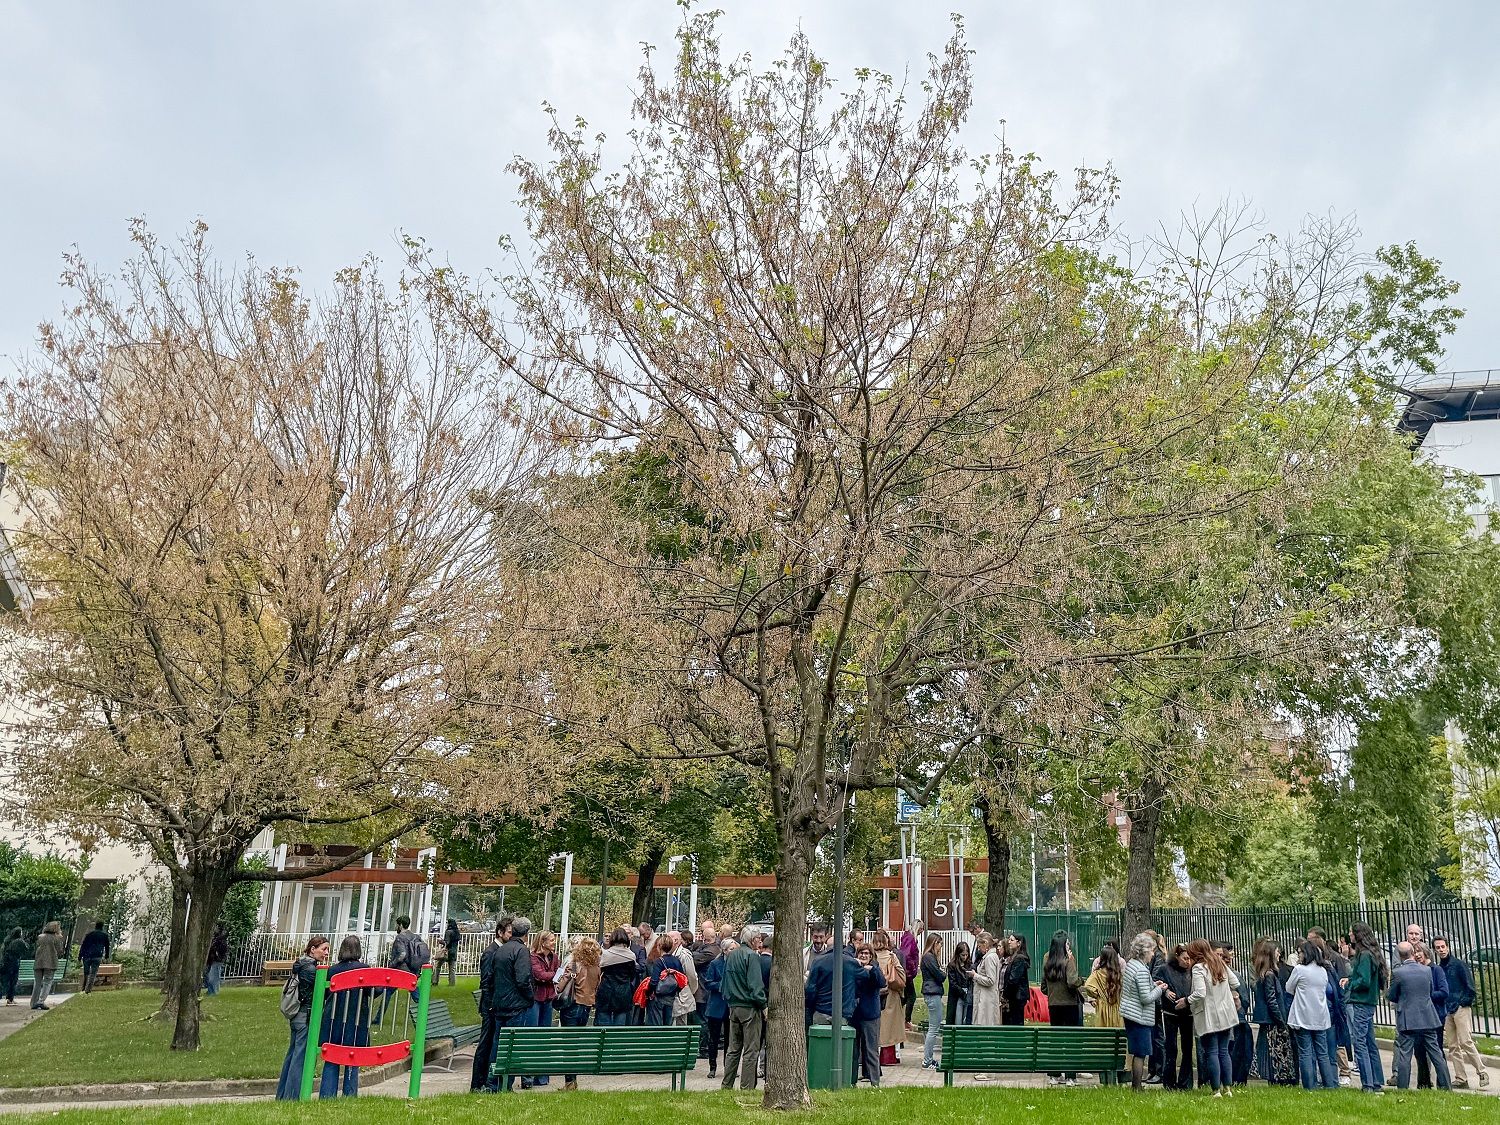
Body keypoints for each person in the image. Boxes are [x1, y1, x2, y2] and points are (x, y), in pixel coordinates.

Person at [1390, 941, 1451, 1090]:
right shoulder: (1426, 971)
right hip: (1428, 1016)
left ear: (1399, 955)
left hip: (1407, 1018)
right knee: (1436, 1053)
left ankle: (1402, 1088)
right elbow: (1430, 992)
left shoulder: (1398, 973)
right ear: (1412, 952)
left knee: (1405, 1054)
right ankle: (1446, 1086)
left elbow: (1392, 995)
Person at [276, 936, 330, 1101]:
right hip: (304, 1015)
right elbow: (322, 991)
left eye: (328, 949)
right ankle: (292, 1096)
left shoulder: (301, 963)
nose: (326, 953)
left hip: (296, 1015)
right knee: (300, 1057)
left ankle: (283, 1094)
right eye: (323, 949)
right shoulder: (310, 969)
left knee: (293, 1054)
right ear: (313, 949)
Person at [318, 935, 371, 1099]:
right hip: (355, 1017)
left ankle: (327, 1094)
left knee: (332, 1056)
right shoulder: (364, 969)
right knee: (352, 1056)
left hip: (334, 1017)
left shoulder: (332, 970)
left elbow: (324, 993)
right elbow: (371, 992)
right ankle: (349, 1093)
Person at [1185, 938, 1239, 1098]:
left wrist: (1187, 1000)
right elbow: (1235, 982)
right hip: (1226, 1012)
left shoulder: (1198, 968)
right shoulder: (1219, 962)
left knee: (1212, 1052)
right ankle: (1227, 1088)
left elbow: (1200, 993)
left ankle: (1216, 1089)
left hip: (1209, 1014)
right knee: (1224, 1051)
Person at [488, 916, 537, 1091]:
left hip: (500, 1003)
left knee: (498, 1044)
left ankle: (492, 1083)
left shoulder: (501, 949)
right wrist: (530, 997)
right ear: (527, 933)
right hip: (516, 1005)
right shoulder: (521, 950)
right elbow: (523, 979)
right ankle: (505, 1084)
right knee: (512, 1044)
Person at [1434, 936, 1488, 1090]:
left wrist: (1462, 1002)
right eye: (1438, 948)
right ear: (1435, 950)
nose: (1441, 950)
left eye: (1443, 946)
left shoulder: (1459, 965)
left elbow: (1470, 987)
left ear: (1448, 947)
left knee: (1465, 1041)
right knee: (1452, 1045)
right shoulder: (1440, 968)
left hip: (1460, 1007)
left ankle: (1482, 1071)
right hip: (1447, 1009)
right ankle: (1460, 1077)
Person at [1286, 940, 1339, 1090]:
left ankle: (1309, 1085)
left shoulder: (1299, 970)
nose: (1299, 955)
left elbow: (1289, 988)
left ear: (1306, 953)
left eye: (1300, 952)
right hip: (1320, 1016)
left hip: (1303, 1015)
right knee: (1322, 1053)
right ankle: (1329, 1084)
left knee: (1305, 1053)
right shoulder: (1322, 971)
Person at [721, 926, 768, 1090]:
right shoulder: (752, 956)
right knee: (751, 1050)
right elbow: (756, 986)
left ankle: (726, 1085)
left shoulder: (732, 955)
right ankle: (747, 1088)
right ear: (752, 940)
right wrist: (764, 1006)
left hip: (733, 1007)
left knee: (733, 1049)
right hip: (749, 1008)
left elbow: (724, 983)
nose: (760, 942)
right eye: (758, 939)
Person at [1120, 933, 1166, 1092]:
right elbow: (1146, 998)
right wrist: (1159, 989)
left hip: (1129, 1012)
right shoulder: (1141, 970)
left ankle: (1136, 1086)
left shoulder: (1132, 964)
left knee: (1136, 1051)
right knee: (1141, 1052)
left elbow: (1137, 988)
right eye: (1152, 951)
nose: (1153, 954)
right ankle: (1137, 1087)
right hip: (1139, 1015)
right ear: (1145, 951)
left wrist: (1153, 984)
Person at [1345, 921, 1387, 1094]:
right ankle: (1376, 1081)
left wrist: (1349, 983)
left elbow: (1364, 980)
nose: (1350, 935)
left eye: (1351, 932)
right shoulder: (1373, 954)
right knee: (1370, 1043)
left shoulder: (1364, 955)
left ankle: (1368, 1084)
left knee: (1360, 1042)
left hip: (1361, 1001)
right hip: (1369, 1002)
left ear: (1358, 935)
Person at [556, 935, 601, 1090]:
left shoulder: (574, 964)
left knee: (569, 1044)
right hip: (586, 1007)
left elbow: (562, 984)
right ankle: (572, 1081)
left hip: (572, 1006)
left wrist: (556, 989)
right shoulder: (596, 967)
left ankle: (570, 1082)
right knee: (576, 1043)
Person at [470, 916, 509, 1092]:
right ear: (500, 933)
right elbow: (486, 981)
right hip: (490, 1005)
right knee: (485, 1043)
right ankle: (477, 1082)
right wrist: (490, 1005)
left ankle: (486, 1079)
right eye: (509, 932)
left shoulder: (501, 950)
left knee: (492, 1041)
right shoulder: (490, 952)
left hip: (496, 1004)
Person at [1250, 938, 1296, 1086]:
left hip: (1270, 1020)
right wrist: (1280, 1020)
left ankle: (1277, 1078)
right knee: (1276, 1051)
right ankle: (1278, 1078)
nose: (1279, 954)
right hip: (1273, 1021)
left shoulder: (1266, 974)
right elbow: (1272, 1000)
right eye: (1277, 951)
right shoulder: (1269, 975)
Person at [1042, 930, 1084, 1086]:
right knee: (1071, 1040)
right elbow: (1072, 981)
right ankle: (1070, 1077)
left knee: (1056, 1040)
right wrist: (1081, 981)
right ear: (1064, 944)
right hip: (1069, 1004)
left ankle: (1054, 1074)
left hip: (1054, 1004)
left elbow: (1043, 987)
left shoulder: (1047, 958)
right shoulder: (1068, 959)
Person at [1154, 942, 1194, 1090]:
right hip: (1170, 1012)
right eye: (1184, 958)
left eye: (1189, 959)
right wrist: (1165, 991)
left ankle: (1185, 1082)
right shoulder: (1165, 969)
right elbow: (1155, 981)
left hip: (1187, 1013)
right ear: (1177, 957)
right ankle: (1169, 1081)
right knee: (1171, 1047)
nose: (1187, 962)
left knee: (1187, 1047)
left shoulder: (1191, 971)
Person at [1215, 942, 1253, 1086]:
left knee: (1233, 1052)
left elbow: (1243, 998)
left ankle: (1232, 1080)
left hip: (1236, 1019)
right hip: (1229, 1018)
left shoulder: (1234, 975)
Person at [850, 942, 887, 1086]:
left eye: (867, 954)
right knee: (853, 1051)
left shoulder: (875, 969)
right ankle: (851, 1082)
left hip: (871, 1014)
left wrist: (872, 970)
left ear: (871, 956)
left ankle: (875, 1082)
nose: (864, 956)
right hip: (854, 1014)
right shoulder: (854, 968)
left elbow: (882, 982)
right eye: (861, 953)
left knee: (871, 1050)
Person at [1414, 942, 1450, 1089]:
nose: (1416, 954)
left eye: (1418, 951)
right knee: (1419, 1050)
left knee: (1437, 1050)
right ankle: (1423, 1083)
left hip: (1435, 1015)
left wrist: (1427, 995)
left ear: (1426, 952)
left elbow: (1444, 992)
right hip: (1419, 1016)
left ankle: (1443, 1084)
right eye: (1414, 952)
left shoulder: (1437, 970)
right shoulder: (1416, 970)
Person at [529, 930, 560, 1086]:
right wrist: (554, 975)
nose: (554, 942)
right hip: (536, 998)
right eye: (551, 940)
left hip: (548, 998)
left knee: (545, 1035)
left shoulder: (554, 957)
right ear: (543, 942)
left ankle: (542, 1076)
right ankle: (529, 1075)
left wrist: (554, 975)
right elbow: (540, 976)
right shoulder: (533, 957)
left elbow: (556, 974)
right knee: (534, 1034)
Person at [871, 930, 907, 1066]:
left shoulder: (871, 956)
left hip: (873, 994)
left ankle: (871, 1057)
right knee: (889, 1029)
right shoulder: (891, 956)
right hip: (890, 995)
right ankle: (888, 1057)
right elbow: (901, 975)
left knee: (876, 1028)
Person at [595, 927, 642, 1028]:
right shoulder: (631, 956)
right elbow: (633, 975)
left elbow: (599, 972)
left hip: (606, 991)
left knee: (604, 1024)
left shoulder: (605, 955)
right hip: (624, 992)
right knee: (619, 1024)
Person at [702, 939, 734, 1079]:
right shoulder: (715, 964)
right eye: (731, 949)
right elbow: (708, 983)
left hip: (730, 1006)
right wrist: (722, 985)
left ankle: (729, 1067)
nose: (734, 952)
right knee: (713, 1039)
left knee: (730, 1039)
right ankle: (712, 1067)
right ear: (724, 950)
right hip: (716, 1006)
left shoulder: (736, 963)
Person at [920, 933, 947, 1070]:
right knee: (933, 1028)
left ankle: (928, 1059)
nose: (941, 947)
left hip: (932, 992)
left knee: (934, 1027)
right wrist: (943, 972)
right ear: (934, 943)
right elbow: (939, 975)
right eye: (940, 944)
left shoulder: (928, 957)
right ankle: (927, 1060)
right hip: (932, 992)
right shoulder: (929, 957)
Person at [1083, 941, 1124, 1030]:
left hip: (1102, 1008)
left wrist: (1096, 994)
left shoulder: (1097, 974)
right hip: (1117, 1008)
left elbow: (1087, 985)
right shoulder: (1118, 974)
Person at [30, 921, 66, 1011]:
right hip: (50, 962)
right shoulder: (57, 938)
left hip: (39, 962)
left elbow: (36, 948)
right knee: (47, 982)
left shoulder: (40, 937)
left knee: (37, 983)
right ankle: (41, 1001)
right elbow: (60, 951)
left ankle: (33, 1002)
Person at [970, 933, 1002, 1026]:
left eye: (979, 946)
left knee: (985, 1024)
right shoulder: (991, 956)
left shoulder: (989, 958)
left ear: (985, 944)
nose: (978, 949)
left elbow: (991, 980)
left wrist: (975, 976)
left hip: (986, 1000)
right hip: (986, 997)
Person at [1000, 934, 1030, 1027]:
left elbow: (1013, 980)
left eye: (1012, 940)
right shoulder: (1015, 957)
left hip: (1016, 997)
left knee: (1015, 1022)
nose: (1009, 942)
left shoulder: (1019, 959)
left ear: (1019, 943)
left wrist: (1005, 994)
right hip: (1014, 996)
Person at [946, 940, 973, 1026]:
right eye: (963, 955)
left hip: (967, 993)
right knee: (957, 1018)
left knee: (966, 1018)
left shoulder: (969, 964)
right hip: (957, 994)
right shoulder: (952, 965)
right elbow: (953, 983)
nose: (965, 957)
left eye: (966, 955)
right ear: (958, 954)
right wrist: (962, 992)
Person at [900, 922, 921, 1029]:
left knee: (906, 996)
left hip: (907, 972)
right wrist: (912, 968)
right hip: (908, 973)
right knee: (911, 996)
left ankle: (901, 1017)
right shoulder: (910, 938)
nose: (922, 931)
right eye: (921, 929)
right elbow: (907, 954)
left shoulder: (908, 937)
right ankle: (906, 1020)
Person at [79, 921, 111, 994]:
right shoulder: (104, 935)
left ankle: (83, 988)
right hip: (97, 955)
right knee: (93, 973)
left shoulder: (89, 935)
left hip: (87, 955)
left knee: (86, 972)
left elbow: (83, 945)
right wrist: (106, 956)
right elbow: (107, 947)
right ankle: (88, 990)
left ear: (95, 926)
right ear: (102, 927)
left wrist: (80, 955)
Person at [2, 928, 26, 1006]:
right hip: (13, 963)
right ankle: (10, 998)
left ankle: (9, 998)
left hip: (5, 963)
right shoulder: (19, 941)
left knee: (5, 981)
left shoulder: (7, 940)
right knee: (13, 981)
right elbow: (26, 948)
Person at [204, 923, 228, 997]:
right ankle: (211, 991)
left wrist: (217, 955)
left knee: (213, 977)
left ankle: (214, 992)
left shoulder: (220, 940)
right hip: (211, 959)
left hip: (216, 960)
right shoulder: (215, 938)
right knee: (208, 976)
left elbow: (221, 950)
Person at [439, 918, 461, 987]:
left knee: (438, 966)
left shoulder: (448, 932)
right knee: (452, 969)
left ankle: (434, 981)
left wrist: (441, 941)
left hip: (447, 951)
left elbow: (447, 942)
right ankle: (452, 983)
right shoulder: (457, 932)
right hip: (454, 952)